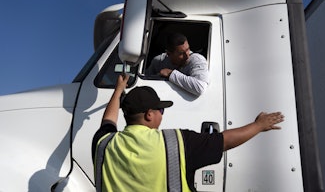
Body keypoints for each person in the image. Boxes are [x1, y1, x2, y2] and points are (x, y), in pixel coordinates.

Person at [92, 74, 284, 192]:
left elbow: (108, 122)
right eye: (161, 110)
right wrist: (258, 125)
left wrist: (118, 91)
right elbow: (224, 141)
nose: (162, 115)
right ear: (149, 115)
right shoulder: (175, 143)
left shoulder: (103, 144)